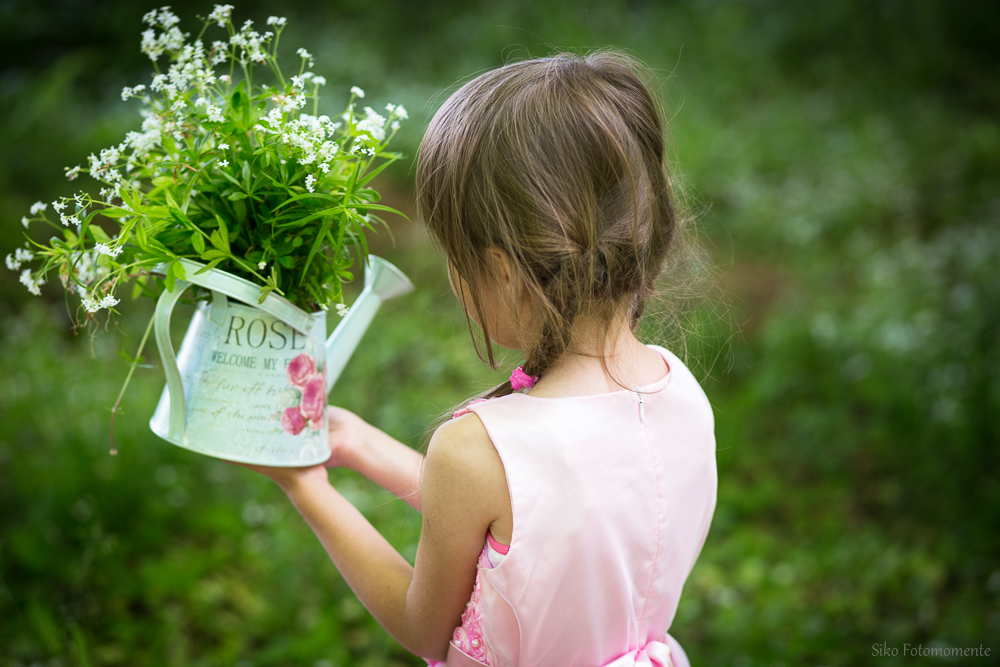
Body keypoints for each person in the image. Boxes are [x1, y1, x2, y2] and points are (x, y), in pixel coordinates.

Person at [237, 50, 717, 667]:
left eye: (453, 254)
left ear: (500, 269)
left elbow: (424, 627)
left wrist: (306, 486)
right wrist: (361, 446)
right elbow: (534, 528)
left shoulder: (477, 451)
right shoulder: (680, 393)